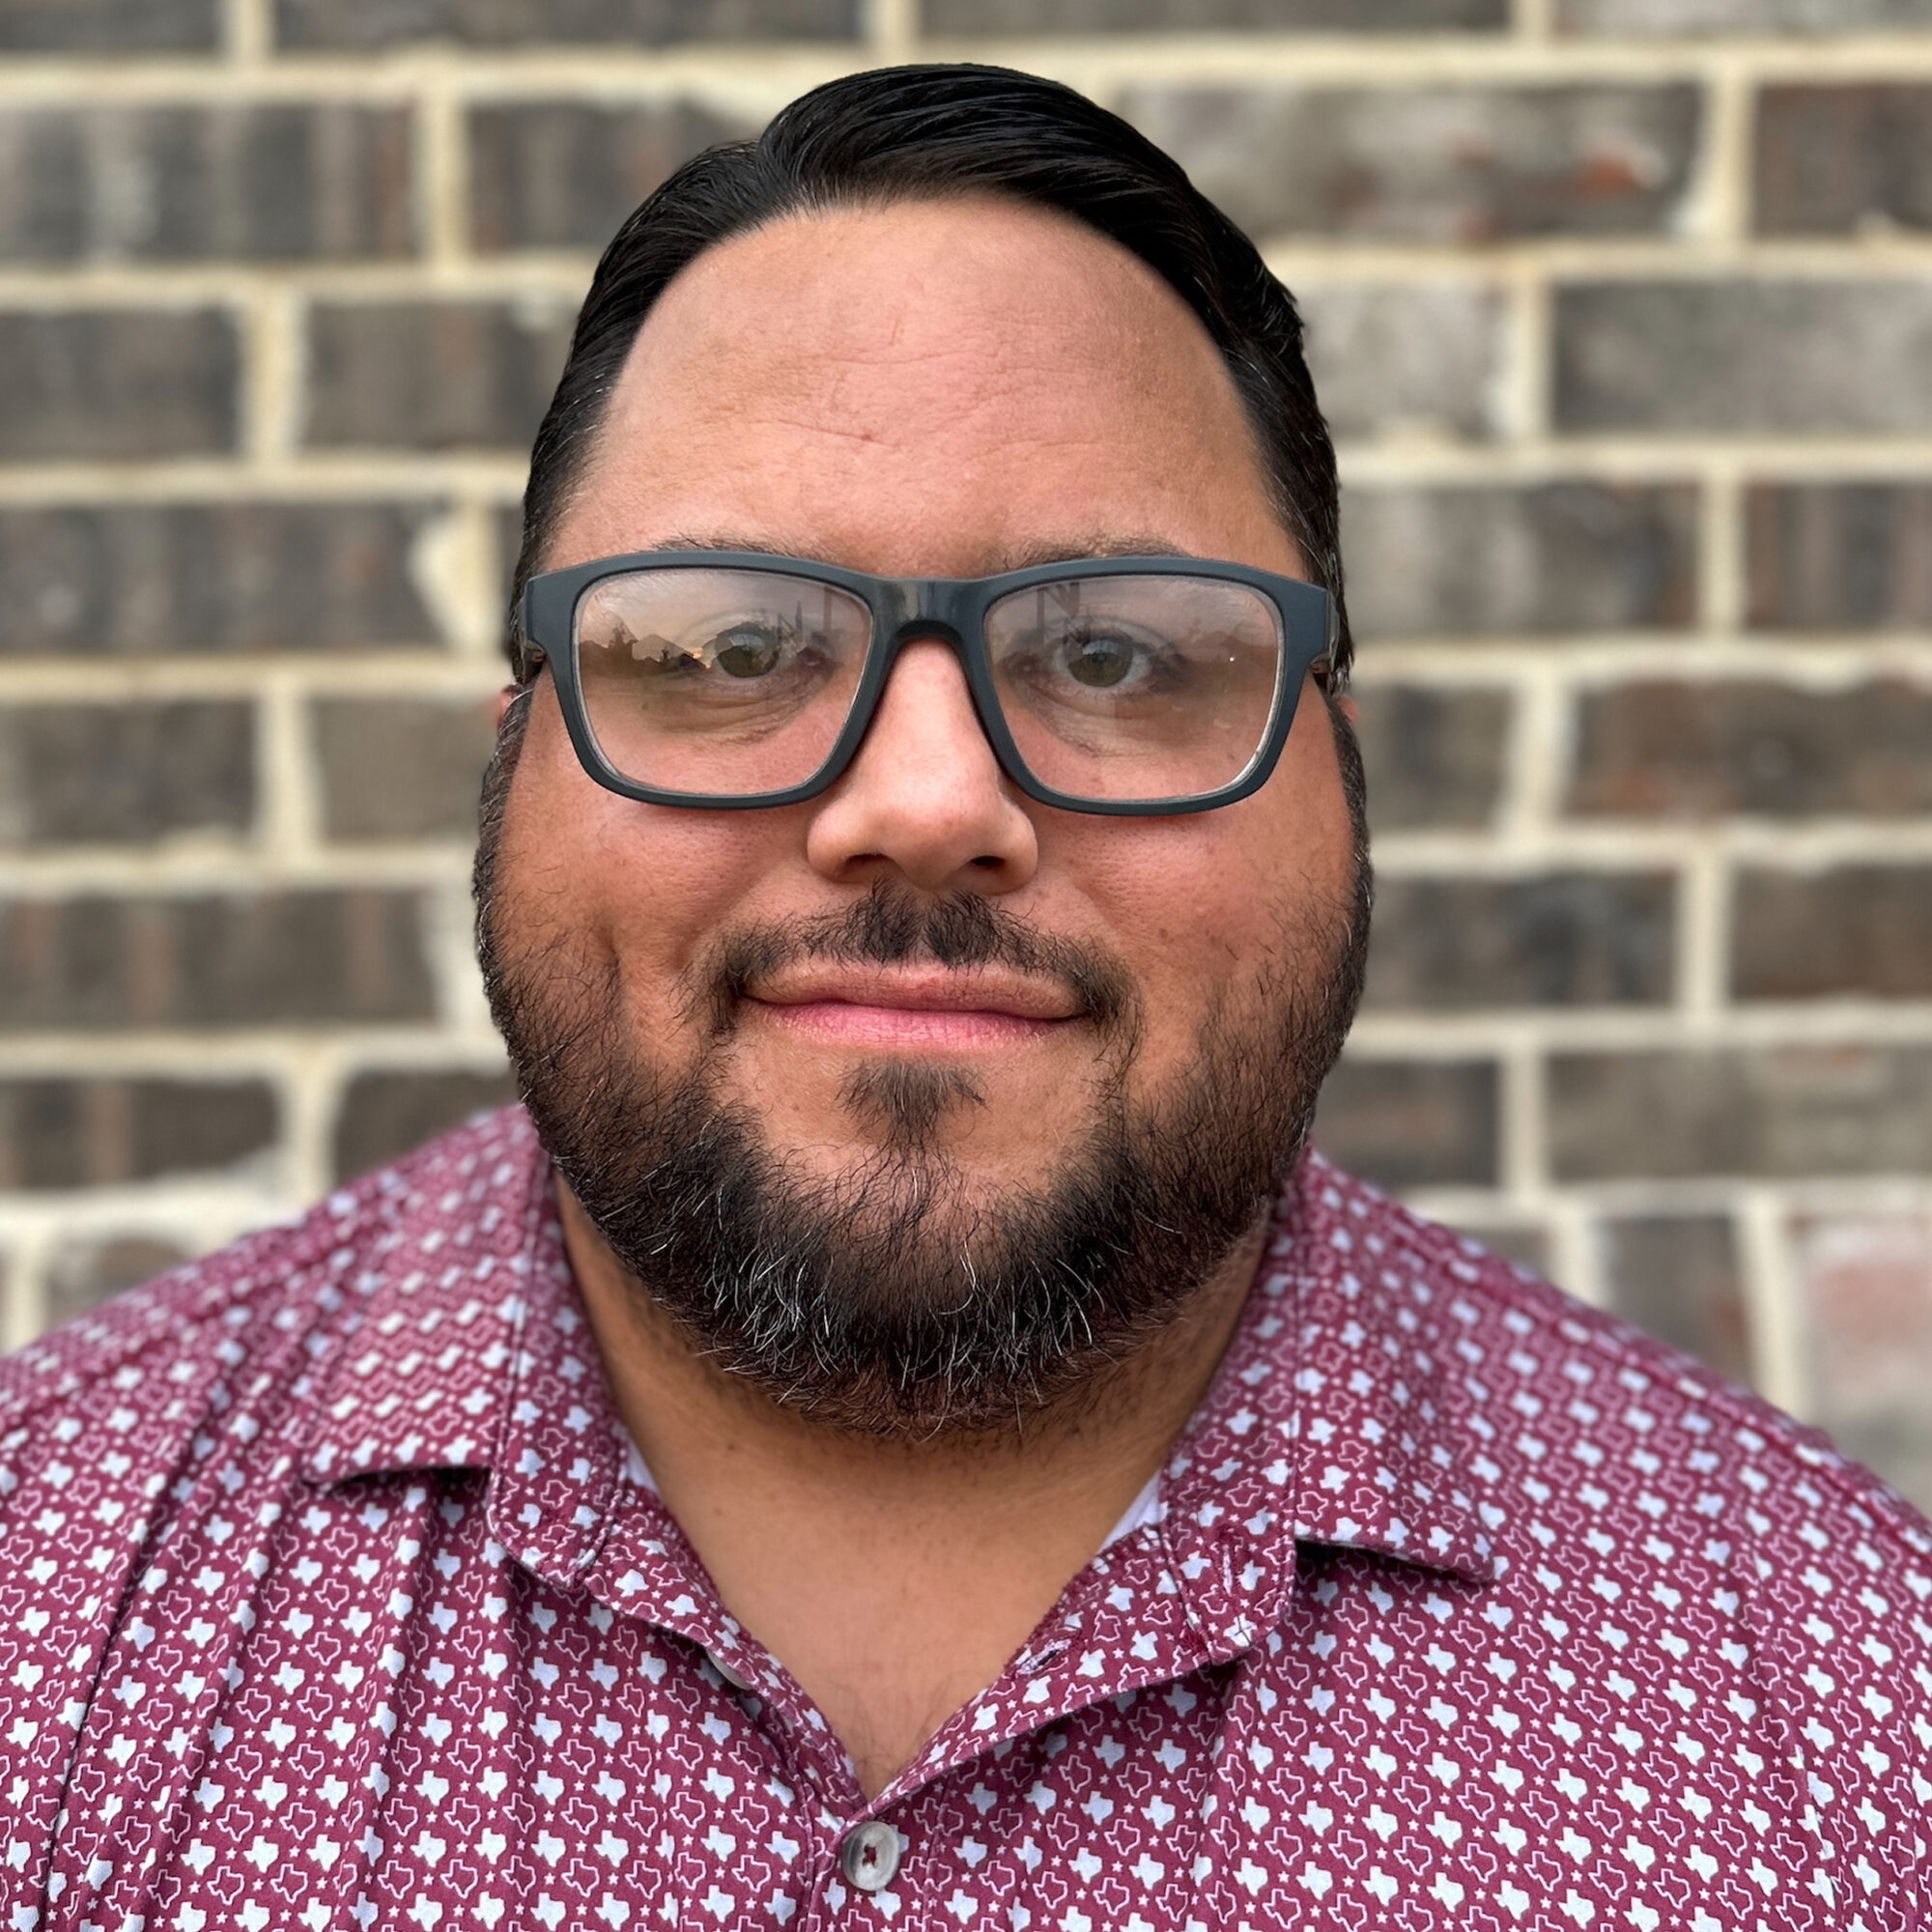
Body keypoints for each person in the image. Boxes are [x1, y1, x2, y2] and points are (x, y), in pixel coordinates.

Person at [2, 64, 1926, 1932]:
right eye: (731, 644)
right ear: (519, 742)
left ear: (1337, 765)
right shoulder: (44, 1616)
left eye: (1114, 655)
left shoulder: (1850, 1729)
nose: (923, 804)